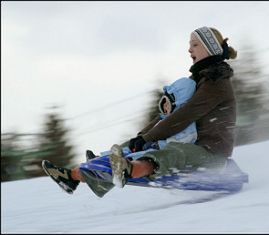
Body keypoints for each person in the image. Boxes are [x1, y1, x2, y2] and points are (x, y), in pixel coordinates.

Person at [42, 26, 238, 197]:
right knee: (133, 145)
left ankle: (127, 169)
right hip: (192, 144)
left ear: (209, 48)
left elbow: (185, 115)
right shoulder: (198, 81)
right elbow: (168, 116)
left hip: (211, 154)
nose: (189, 49)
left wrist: (148, 138)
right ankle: (73, 176)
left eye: (194, 44)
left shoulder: (217, 83)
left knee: (173, 152)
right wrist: (141, 137)